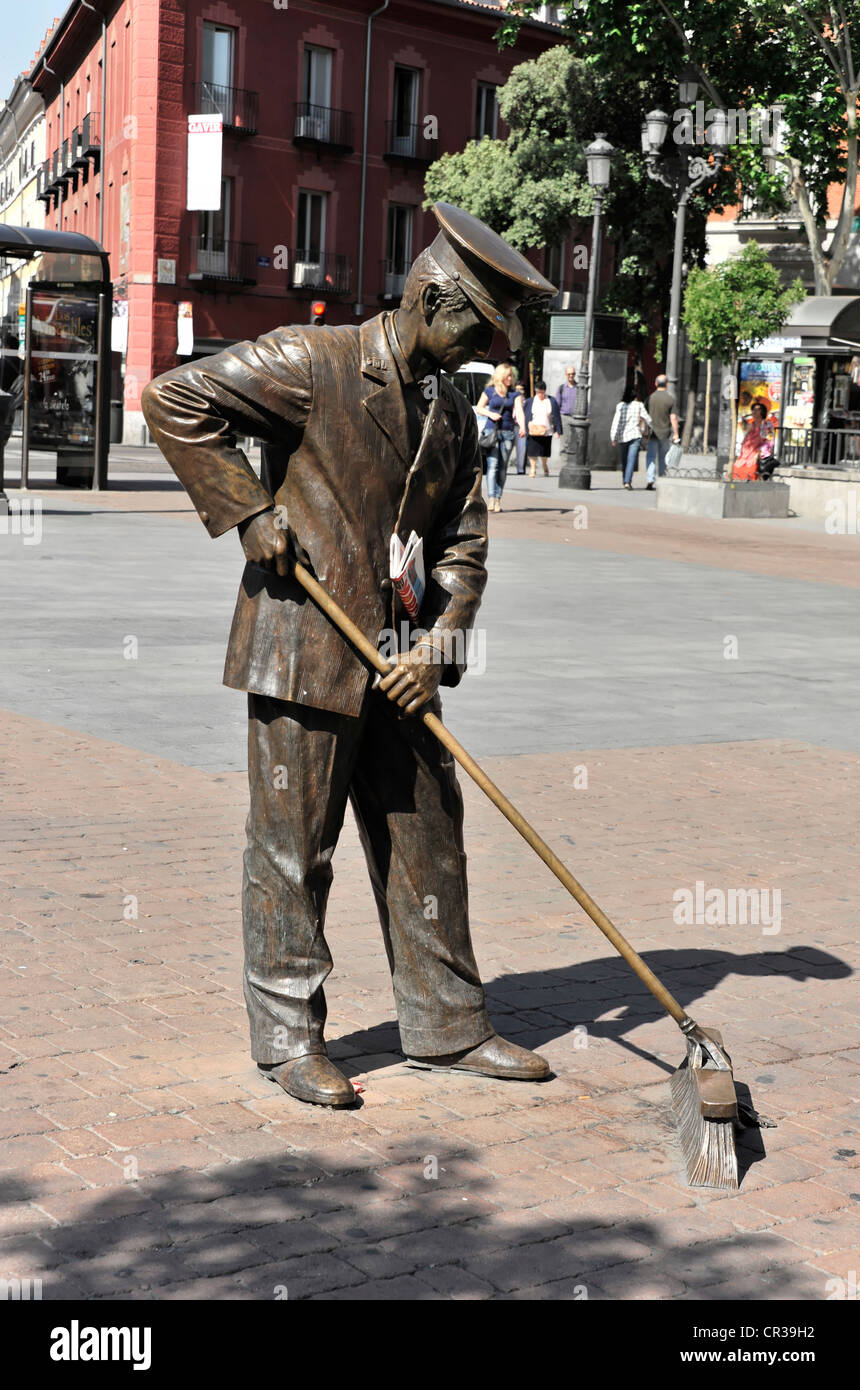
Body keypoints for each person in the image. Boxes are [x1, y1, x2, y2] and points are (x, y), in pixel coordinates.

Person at [142, 202, 558, 1109]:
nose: (475, 356)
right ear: (431, 299)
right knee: (294, 849)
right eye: (474, 334)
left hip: (400, 659)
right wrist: (250, 512)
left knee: (428, 838)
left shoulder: (450, 413)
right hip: (304, 649)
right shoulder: (310, 361)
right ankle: (289, 1037)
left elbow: (461, 546)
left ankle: (448, 1028)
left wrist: (438, 645)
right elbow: (172, 399)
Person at [477, 361, 523, 511]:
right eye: (508, 376)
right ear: (501, 376)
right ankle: (491, 499)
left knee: (503, 468)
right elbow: (479, 408)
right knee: (493, 465)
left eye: (511, 376)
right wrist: (491, 414)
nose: (511, 378)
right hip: (492, 432)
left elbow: (520, 411)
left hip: (508, 432)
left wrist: (523, 427)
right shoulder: (490, 391)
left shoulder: (514, 394)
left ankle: (498, 498)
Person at [610, 384, 651, 490]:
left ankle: (625, 480)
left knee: (624, 459)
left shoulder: (620, 406)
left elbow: (616, 422)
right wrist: (652, 428)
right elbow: (648, 418)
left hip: (623, 436)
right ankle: (627, 481)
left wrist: (613, 437)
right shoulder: (639, 405)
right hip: (635, 435)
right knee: (631, 459)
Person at [645, 373, 680, 490]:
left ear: (655, 383)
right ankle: (662, 479)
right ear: (667, 384)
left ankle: (650, 479)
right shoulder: (670, 399)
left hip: (651, 433)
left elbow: (644, 416)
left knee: (650, 456)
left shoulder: (650, 398)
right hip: (665, 433)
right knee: (663, 457)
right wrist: (676, 433)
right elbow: (673, 417)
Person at [523, 379, 562, 476]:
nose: (540, 394)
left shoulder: (551, 401)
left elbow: (556, 416)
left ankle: (544, 465)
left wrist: (557, 430)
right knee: (532, 451)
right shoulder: (530, 401)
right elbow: (525, 414)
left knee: (544, 451)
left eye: (542, 392)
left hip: (547, 430)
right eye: (538, 392)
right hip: (533, 429)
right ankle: (533, 469)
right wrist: (525, 427)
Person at [732, 401, 773, 481]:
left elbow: (770, 440)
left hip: (758, 451)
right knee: (738, 468)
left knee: (752, 468)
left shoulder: (767, 424)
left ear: (762, 412)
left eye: (757, 409)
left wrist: (761, 451)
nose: (754, 411)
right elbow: (745, 434)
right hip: (746, 452)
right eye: (753, 409)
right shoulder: (751, 424)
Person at [555, 364, 578, 432]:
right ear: (566, 374)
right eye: (569, 374)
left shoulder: (579, 388)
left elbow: (584, 402)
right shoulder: (561, 388)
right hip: (564, 419)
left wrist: (587, 416)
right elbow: (557, 405)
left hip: (576, 419)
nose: (571, 376)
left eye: (573, 374)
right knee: (565, 442)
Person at [514, 381, 528, 474]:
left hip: (521, 426)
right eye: (517, 389)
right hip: (511, 424)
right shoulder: (511, 398)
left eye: (521, 389)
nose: (519, 391)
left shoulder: (526, 401)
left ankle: (520, 469)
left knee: (521, 448)